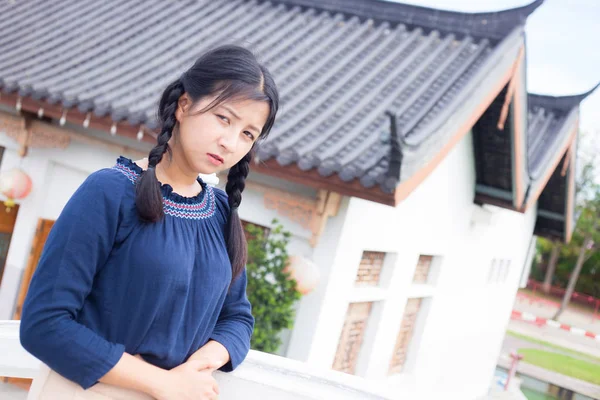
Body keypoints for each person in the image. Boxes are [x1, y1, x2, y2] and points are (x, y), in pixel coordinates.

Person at [19, 44, 279, 400]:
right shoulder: (111, 192)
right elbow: (44, 324)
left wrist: (195, 369)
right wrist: (163, 383)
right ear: (185, 105)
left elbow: (237, 319)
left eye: (248, 133)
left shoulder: (220, 212)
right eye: (224, 118)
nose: (231, 142)